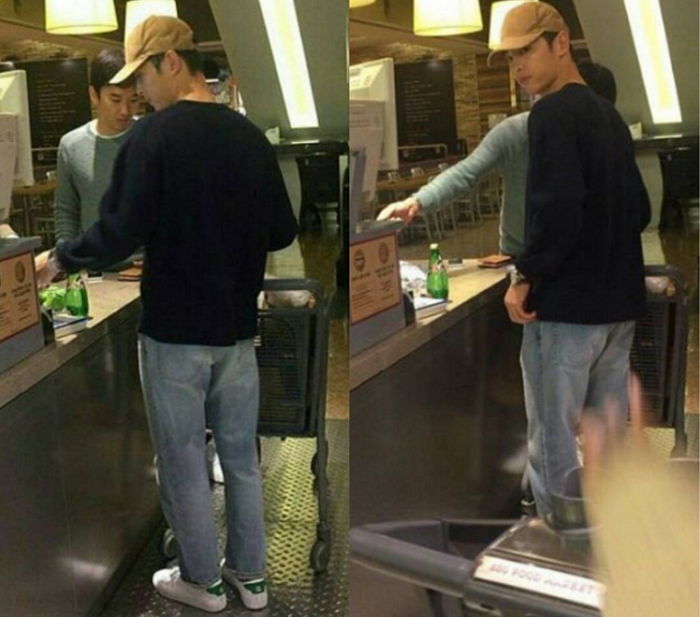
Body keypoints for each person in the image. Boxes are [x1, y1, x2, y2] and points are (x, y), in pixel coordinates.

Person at [36, 16, 297, 613]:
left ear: (171, 63)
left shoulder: (151, 139)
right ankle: (252, 578)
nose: (138, 94)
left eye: (142, 78)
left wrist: (60, 259)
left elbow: (117, 232)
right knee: (241, 459)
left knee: (182, 463)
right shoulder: (249, 136)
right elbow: (282, 230)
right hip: (238, 332)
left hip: (175, 332)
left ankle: (202, 581)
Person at [493, 2, 649, 516]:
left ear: (561, 42)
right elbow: (641, 209)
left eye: (525, 51)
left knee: (554, 436)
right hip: (618, 309)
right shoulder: (610, 116)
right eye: (510, 57)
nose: (517, 67)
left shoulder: (551, 113)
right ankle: (610, 531)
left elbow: (556, 210)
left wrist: (524, 275)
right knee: (606, 433)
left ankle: (562, 540)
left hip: (566, 312)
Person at [376, 61, 619, 259]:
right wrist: (416, 202)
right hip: (521, 254)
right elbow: (467, 172)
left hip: (582, 256)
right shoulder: (516, 131)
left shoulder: (610, 137)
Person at [54, 49, 139, 243]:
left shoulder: (150, 137)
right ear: (94, 95)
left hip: (146, 258)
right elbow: (66, 211)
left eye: (133, 100)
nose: (125, 110)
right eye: (115, 99)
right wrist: (65, 253)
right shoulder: (71, 145)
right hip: (94, 259)